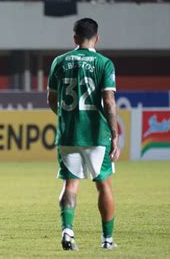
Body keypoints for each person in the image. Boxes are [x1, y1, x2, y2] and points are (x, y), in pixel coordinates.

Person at [47, 18, 120, 251]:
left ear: (74, 38)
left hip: (68, 134)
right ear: (96, 38)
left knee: (70, 185)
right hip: (96, 133)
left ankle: (67, 232)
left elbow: (51, 99)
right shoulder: (104, 63)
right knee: (104, 185)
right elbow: (108, 101)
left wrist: (66, 118)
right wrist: (115, 134)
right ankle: (107, 240)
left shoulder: (59, 61)